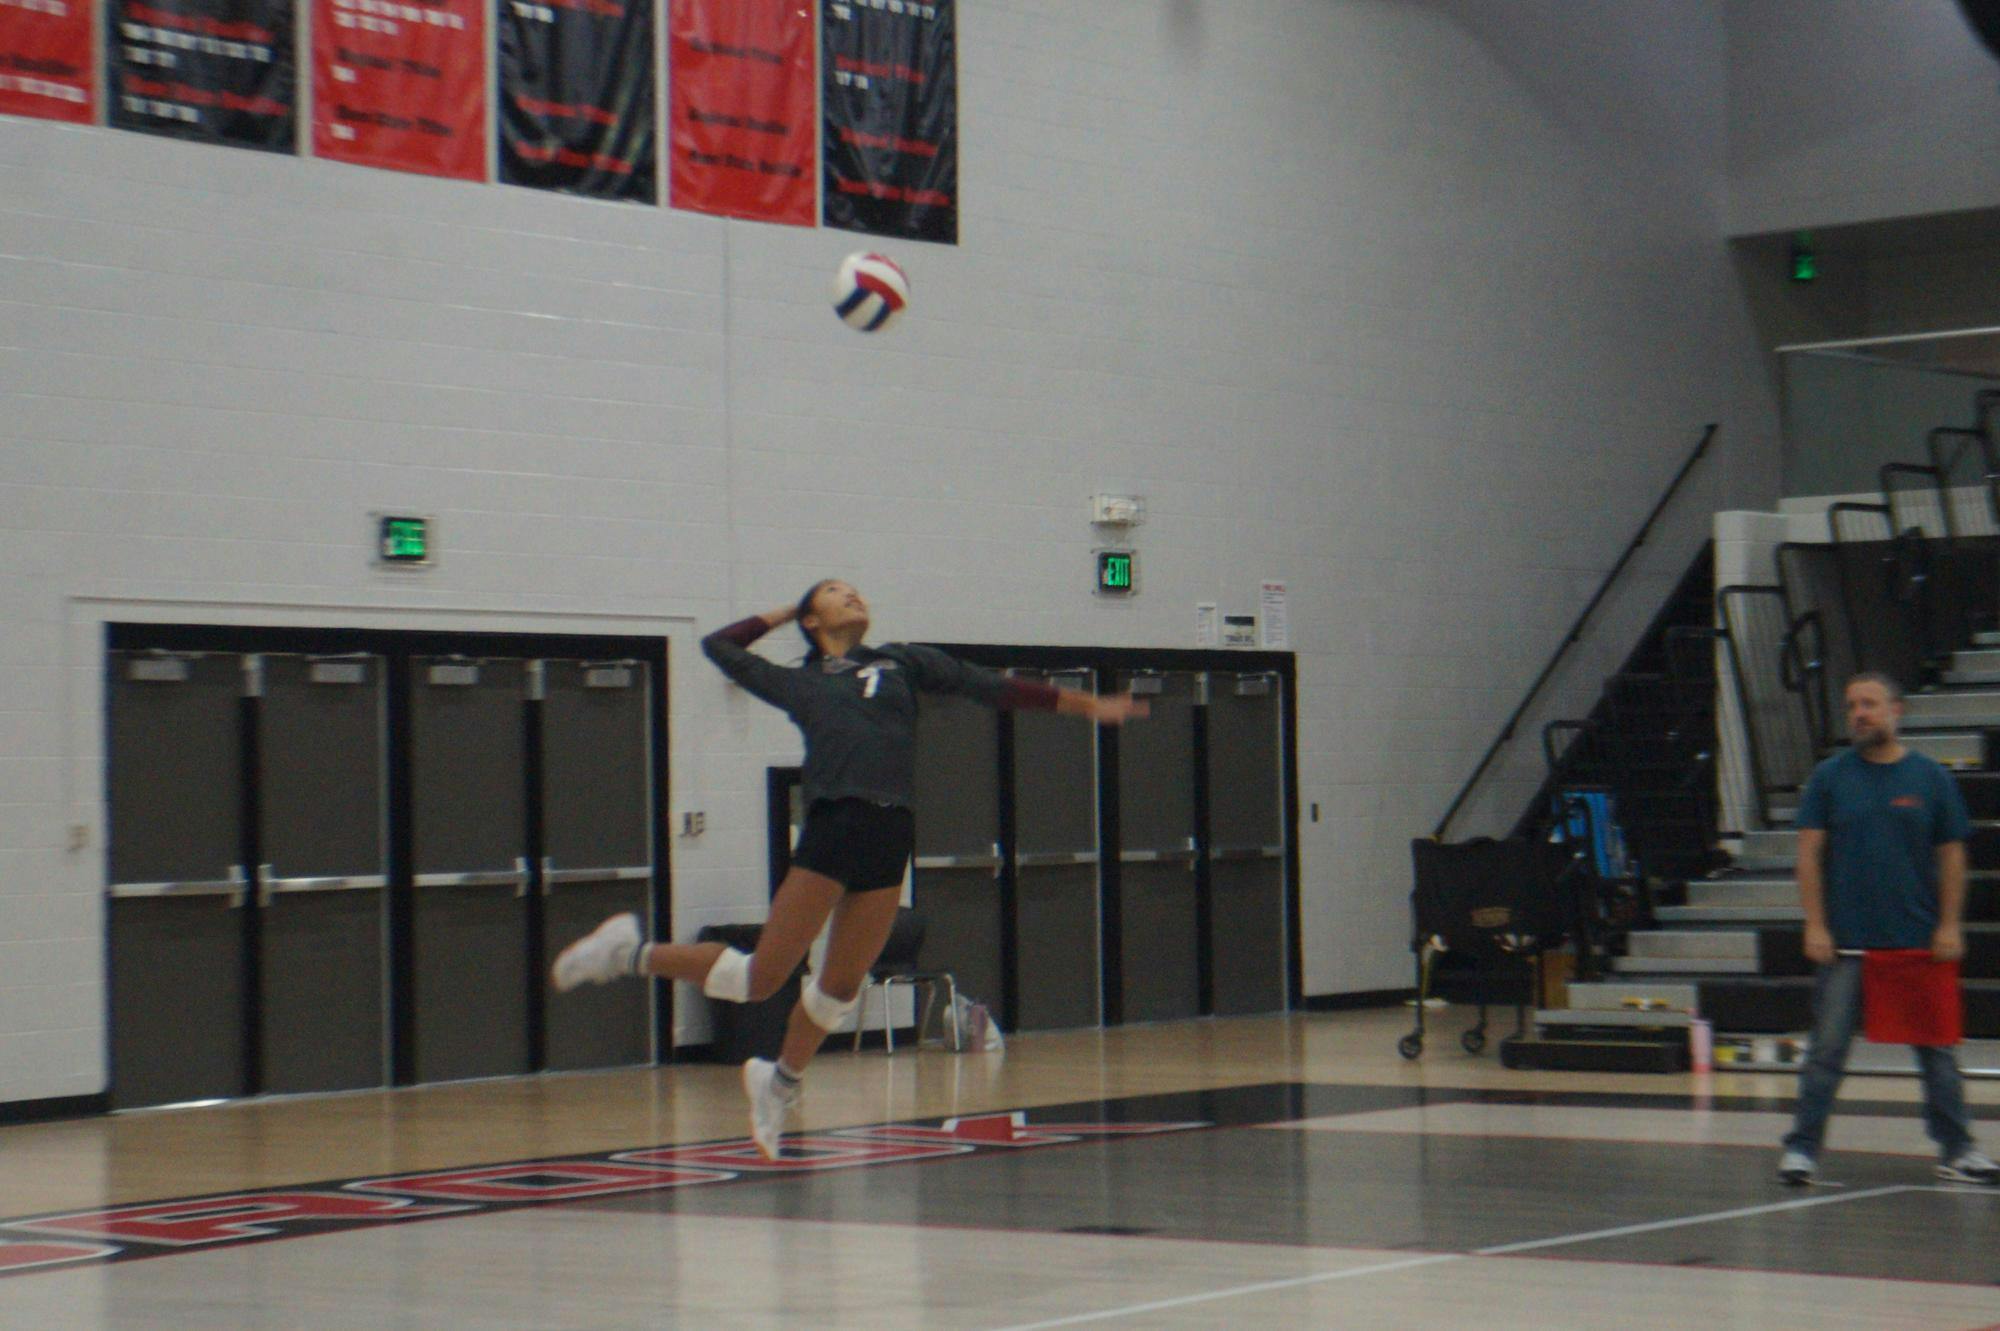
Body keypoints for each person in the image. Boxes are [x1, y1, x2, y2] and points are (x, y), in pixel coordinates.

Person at [551, 579, 1147, 1159]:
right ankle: (626, 953)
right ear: (813, 620)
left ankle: (779, 1082)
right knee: (762, 977)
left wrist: (1086, 705)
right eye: (836, 593)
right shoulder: (797, 682)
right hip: (837, 823)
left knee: (838, 991)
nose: (853, 594)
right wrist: (791, 608)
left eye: (854, 590)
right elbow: (719, 647)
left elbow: (990, 686)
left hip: (892, 830)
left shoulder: (902, 662)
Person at [1777, 672, 1998, 1186]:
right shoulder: (1830, 778)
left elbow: (1953, 857)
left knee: (1938, 1052)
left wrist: (1949, 925)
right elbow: (1808, 854)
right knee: (1826, 1050)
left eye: (1869, 704)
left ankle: (1958, 1148)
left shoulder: (1930, 778)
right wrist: (1814, 924)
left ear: (1896, 711)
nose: (1859, 714)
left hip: (1917, 940)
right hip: (1847, 944)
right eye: (1853, 705)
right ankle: (1802, 1149)